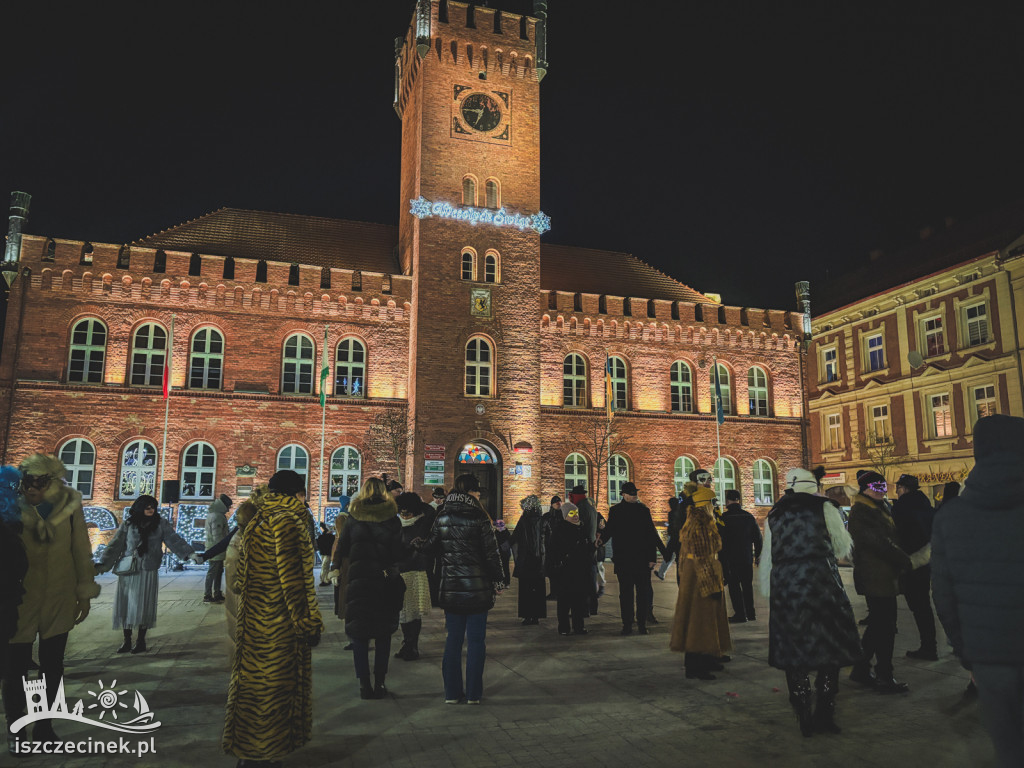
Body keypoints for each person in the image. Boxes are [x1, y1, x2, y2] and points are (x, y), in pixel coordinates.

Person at [932, 414, 1024, 768]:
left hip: (989, 659)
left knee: (1009, 751)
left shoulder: (951, 516)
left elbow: (943, 595)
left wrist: (967, 652)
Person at [223, 470, 324, 765]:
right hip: (278, 623)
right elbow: (293, 581)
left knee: (252, 686)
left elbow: (241, 577)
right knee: (274, 690)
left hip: (253, 618)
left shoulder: (258, 518)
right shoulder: (288, 521)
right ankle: (265, 752)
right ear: (298, 493)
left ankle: (248, 750)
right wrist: (307, 622)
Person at [3, 454, 100, 751]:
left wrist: (84, 590)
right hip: (19, 598)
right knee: (15, 667)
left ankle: (44, 726)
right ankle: (16, 728)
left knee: (52, 666)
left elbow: (80, 548)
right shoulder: (10, 505)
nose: (32, 489)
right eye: (28, 483)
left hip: (58, 594)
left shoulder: (69, 505)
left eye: (39, 483)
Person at [760, 468, 862, 736]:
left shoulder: (774, 513)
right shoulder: (826, 508)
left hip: (786, 587)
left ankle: (803, 713)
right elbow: (841, 548)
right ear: (812, 486)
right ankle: (825, 714)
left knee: (794, 652)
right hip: (821, 583)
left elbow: (767, 558)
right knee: (830, 648)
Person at [417, 474, 504, 704]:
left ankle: (452, 694)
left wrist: (416, 543)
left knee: (453, 640)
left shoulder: (442, 515)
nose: (478, 495)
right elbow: (492, 554)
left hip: (452, 589)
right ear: (471, 492)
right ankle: (474, 694)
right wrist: (499, 581)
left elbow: (429, 547)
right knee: (476, 642)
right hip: (477, 590)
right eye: (477, 491)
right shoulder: (480, 516)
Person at [96, 494, 200, 653]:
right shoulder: (129, 524)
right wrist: (103, 564)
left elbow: (174, 540)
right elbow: (115, 544)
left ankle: (140, 641)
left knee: (144, 606)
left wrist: (190, 554)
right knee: (127, 605)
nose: (151, 509)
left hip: (148, 570)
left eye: (153, 506)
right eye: (147, 507)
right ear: (140, 508)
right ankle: (127, 640)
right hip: (129, 570)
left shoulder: (160, 524)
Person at [847, 470, 916, 693]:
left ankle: (861, 667)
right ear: (865, 488)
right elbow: (878, 542)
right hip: (874, 577)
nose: (882, 491)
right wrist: (905, 560)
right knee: (885, 628)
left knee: (879, 626)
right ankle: (885, 675)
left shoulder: (880, 507)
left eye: (884, 486)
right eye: (877, 487)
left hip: (885, 576)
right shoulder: (861, 511)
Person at [334, 478, 404, 698]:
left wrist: (337, 568)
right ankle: (380, 683)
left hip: (359, 581)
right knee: (383, 635)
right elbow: (398, 553)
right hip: (383, 582)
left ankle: (364, 684)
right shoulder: (392, 519)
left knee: (360, 635)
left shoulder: (354, 517)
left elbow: (342, 547)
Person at [669, 486, 731, 679]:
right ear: (704, 505)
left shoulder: (693, 520)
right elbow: (702, 555)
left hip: (692, 573)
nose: (714, 506)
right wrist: (709, 583)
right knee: (700, 619)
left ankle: (706, 657)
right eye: (711, 502)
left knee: (700, 618)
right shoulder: (701, 523)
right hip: (700, 574)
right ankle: (697, 665)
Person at [598, 481, 669, 635]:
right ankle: (627, 624)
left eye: (635, 493)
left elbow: (651, 534)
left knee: (642, 594)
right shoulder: (616, 511)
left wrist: (660, 553)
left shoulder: (643, 510)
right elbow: (609, 530)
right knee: (626, 594)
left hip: (642, 559)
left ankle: (642, 624)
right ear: (623, 495)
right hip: (624, 559)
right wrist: (599, 541)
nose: (634, 495)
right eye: (631, 493)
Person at [891, 474, 937, 661]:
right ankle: (930, 645)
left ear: (904, 488)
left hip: (909, 561)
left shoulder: (902, 507)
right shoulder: (926, 505)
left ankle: (928, 648)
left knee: (918, 606)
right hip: (925, 560)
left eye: (898, 487)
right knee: (924, 606)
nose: (896, 491)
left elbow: (896, 534)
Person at [0, 466, 28, 756]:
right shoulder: (13, 529)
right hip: (8, 607)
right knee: (12, 673)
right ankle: (15, 731)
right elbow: (20, 568)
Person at [395, 491, 433, 661]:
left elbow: (431, 510)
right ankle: (407, 644)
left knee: (414, 611)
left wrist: (419, 502)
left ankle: (412, 646)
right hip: (402, 571)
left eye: (407, 510)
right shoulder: (396, 522)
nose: (404, 514)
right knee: (403, 611)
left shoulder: (422, 522)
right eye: (402, 510)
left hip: (415, 570)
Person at [548, 501, 592, 635]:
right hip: (565, 571)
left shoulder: (582, 528)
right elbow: (553, 550)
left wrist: (593, 546)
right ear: (565, 515)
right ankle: (564, 627)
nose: (575, 516)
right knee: (564, 601)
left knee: (579, 600)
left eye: (576, 513)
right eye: (571, 513)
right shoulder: (560, 529)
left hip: (580, 570)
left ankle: (579, 626)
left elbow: (586, 548)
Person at [720, 489, 763, 623]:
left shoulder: (724, 518)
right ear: (739, 500)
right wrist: (758, 555)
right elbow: (758, 538)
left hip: (730, 559)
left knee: (734, 586)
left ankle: (740, 613)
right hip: (746, 557)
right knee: (747, 586)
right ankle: (751, 613)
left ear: (727, 501)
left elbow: (720, 540)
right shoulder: (748, 517)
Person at [510, 495, 547, 626]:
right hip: (539, 560)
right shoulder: (543, 520)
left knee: (526, 590)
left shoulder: (523, 521)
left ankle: (527, 616)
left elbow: (514, 538)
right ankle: (536, 616)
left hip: (526, 561)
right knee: (538, 589)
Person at [203, 494, 231, 602]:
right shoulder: (217, 516)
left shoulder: (213, 514)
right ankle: (208, 594)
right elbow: (217, 535)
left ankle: (216, 592)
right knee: (213, 572)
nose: (229, 509)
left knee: (217, 571)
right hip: (215, 549)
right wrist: (222, 545)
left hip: (213, 548)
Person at [543, 496, 564, 600]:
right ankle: (554, 592)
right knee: (551, 572)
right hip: (550, 547)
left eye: (559, 502)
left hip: (560, 547)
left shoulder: (564, 515)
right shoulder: (547, 516)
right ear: (552, 504)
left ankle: (559, 592)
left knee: (560, 571)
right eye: (556, 502)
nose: (558, 504)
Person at [316, 522, 336, 587]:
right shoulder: (332, 537)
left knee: (324, 566)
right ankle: (325, 579)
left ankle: (324, 579)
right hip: (328, 553)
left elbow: (318, 544)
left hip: (323, 553)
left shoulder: (322, 537)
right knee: (325, 566)